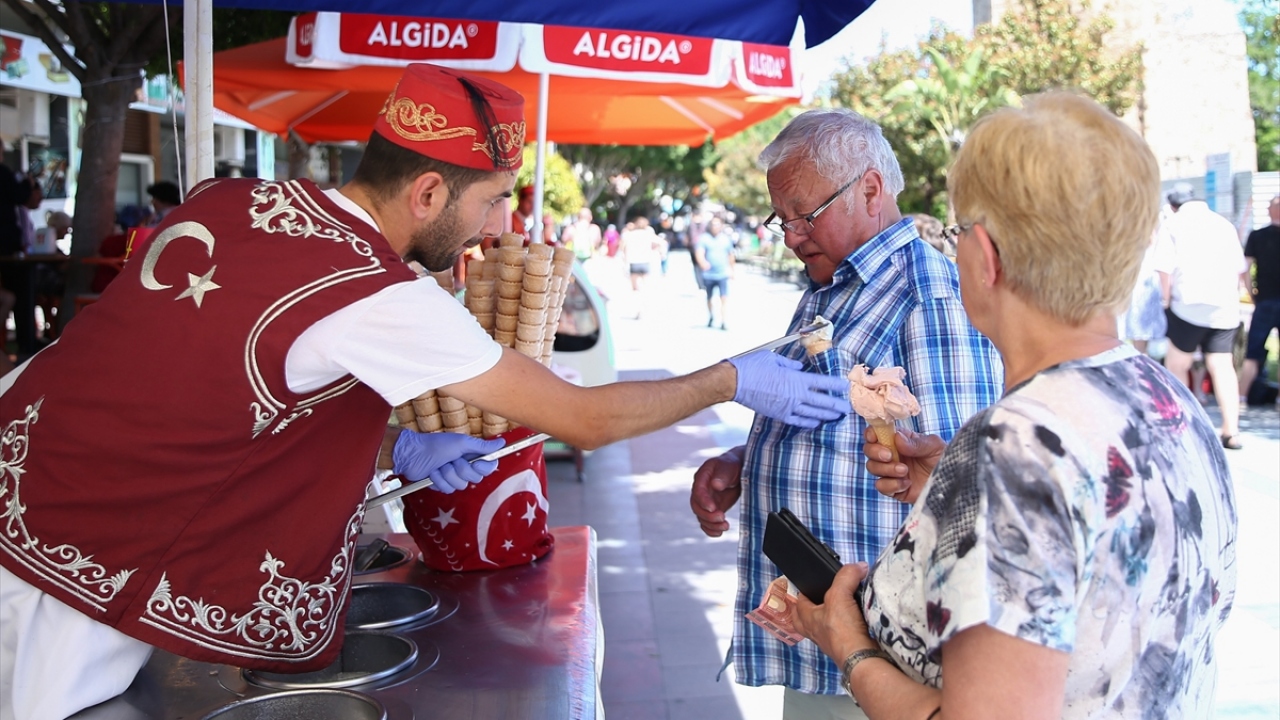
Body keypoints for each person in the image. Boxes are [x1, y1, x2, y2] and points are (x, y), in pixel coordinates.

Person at [0, 63, 852, 720]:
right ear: (429, 192)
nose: (494, 227)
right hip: (58, 578)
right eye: (490, 202)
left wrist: (395, 446)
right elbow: (585, 419)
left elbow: (224, 388)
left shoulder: (233, 203)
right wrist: (734, 378)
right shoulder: (376, 289)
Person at [790, 91, 1237, 720]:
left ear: (987, 257)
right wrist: (949, 495)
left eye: (958, 234)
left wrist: (849, 647)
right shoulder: (1173, 404)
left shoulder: (1015, 449)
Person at [689, 108, 1003, 719]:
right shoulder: (833, 290)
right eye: (781, 219)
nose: (790, 236)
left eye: (804, 215)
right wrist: (746, 459)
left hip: (884, 668)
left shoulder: (928, 297)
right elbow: (834, 424)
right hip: (827, 646)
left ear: (870, 190)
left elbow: (958, 494)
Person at [1155, 182, 1247, 449]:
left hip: (1187, 307)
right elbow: (1239, 267)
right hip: (1224, 308)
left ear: (1173, 206)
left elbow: (1164, 269)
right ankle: (1231, 430)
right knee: (1223, 366)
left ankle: (1182, 425)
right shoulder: (1223, 224)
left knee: (1177, 365)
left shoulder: (1173, 225)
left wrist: (1165, 301)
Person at [1239, 195, 1280, 403]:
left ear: (1269, 211)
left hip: (1264, 300)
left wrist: (1251, 292)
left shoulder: (1257, 236)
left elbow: (1245, 269)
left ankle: (1241, 396)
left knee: (1253, 352)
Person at [1117, 227, 1168, 355]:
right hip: (1144, 290)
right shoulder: (1156, 242)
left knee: (1138, 337)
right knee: (1141, 338)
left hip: (1140, 290)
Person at [695, 215, 736, 329]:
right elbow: (699, 252)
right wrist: (703, 263)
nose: (715, 227)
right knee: (710, 297)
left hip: (722, 274)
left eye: (717, 224)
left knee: (724, 297)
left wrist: (732, 270)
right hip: (709, 274)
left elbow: (731, 255)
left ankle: (723, 321)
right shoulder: (704, 238)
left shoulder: (725, 239)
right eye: (713, 224)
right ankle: (711, 316)